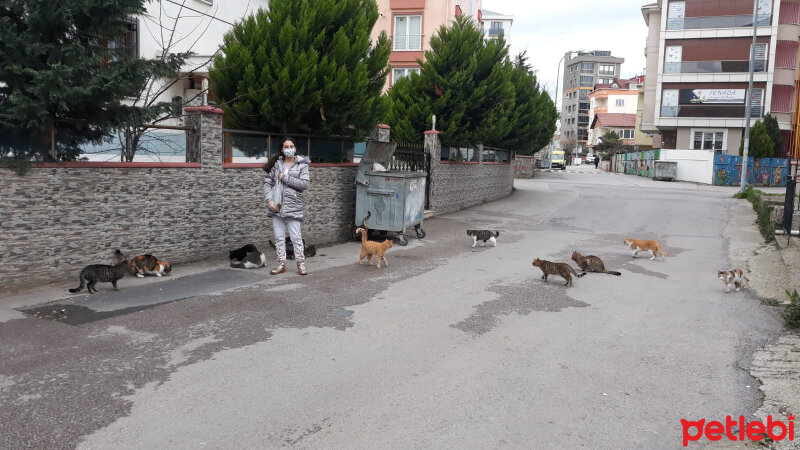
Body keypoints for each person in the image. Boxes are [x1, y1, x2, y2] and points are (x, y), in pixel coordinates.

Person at [264, 137, 310, 275]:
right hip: (276, 205)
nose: (289, 149)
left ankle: (300, 264)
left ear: (295, 148)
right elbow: (267, 183)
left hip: (293, 206)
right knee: (278, 237)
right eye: (286, 146)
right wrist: (268, 200)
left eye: (291, 146)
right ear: (282, 150)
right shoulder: (276, 165)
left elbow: (304, 184)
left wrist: (284, 178)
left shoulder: (302, 164)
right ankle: (281, 264)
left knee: (296, 237)